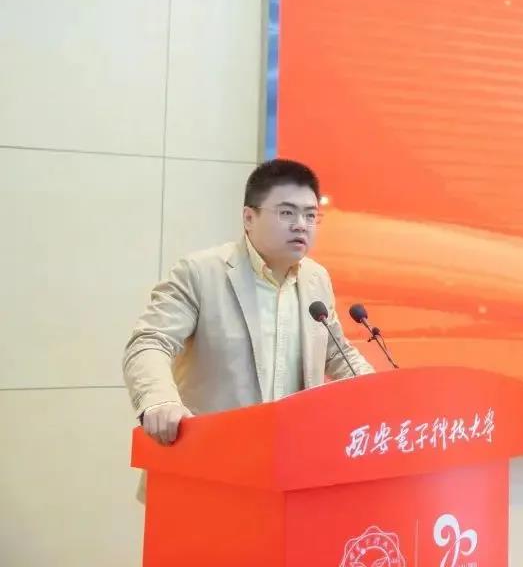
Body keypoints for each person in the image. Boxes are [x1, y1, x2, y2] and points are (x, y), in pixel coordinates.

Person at [122, 158, 374, 450]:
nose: (300, 225)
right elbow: (150, 342)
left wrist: (384, 394)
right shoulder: (200, 273)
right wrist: (159, 400)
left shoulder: (316, 278)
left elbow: (337, 353)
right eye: (287, 213)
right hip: (212, 454)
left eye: (310, 215)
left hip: (291, 458)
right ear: (248, 218)